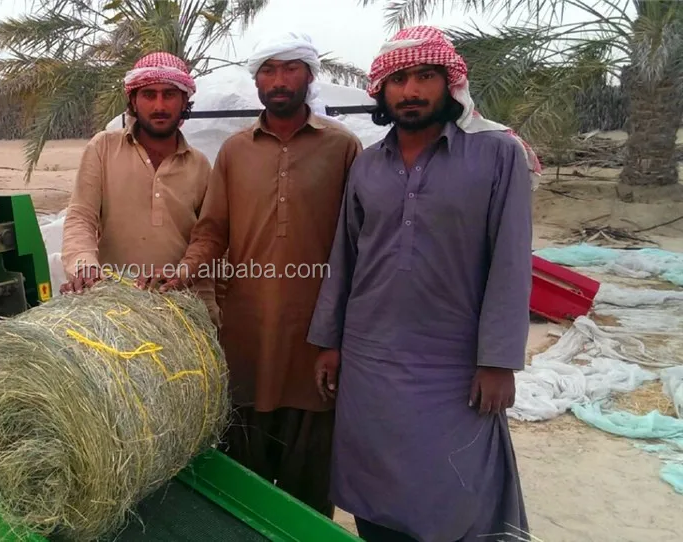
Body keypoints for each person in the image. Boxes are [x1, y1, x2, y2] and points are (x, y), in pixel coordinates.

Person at [306, 26, 541, 542]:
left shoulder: (499, 155)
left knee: (454, 489)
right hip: (369, 357)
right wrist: (328, 342)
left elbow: (510, 264)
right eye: (398, 80)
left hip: (452, 361)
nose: (411, 91)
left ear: (449, 83)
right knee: (374, 483)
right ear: (382, 92)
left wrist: (499, 360)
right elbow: (344, 258)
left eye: (425, 76)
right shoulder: (368, 165)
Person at [139, 32, 363, 518]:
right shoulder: (236, 152)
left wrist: (344, 332)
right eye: (268, 71)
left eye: (289, 69)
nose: (278, 81)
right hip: (248, 333)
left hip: (315, 335)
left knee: (309, 482)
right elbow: (212, 230)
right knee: (246, 473)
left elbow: (359, 245)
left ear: (309, 75)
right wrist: (182, 273)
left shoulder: (343, 148)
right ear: (257, 79)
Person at [60, 51, 219, 324]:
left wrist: (182, 276)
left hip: (182, 310)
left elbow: (209, 239)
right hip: (115, 308)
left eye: (169, 94)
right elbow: (81, 217)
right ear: (133, 100)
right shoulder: (103, 148)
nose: (159, 105)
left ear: (184, 101)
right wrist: (84, 266)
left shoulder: (200, 165)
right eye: (149, 95)